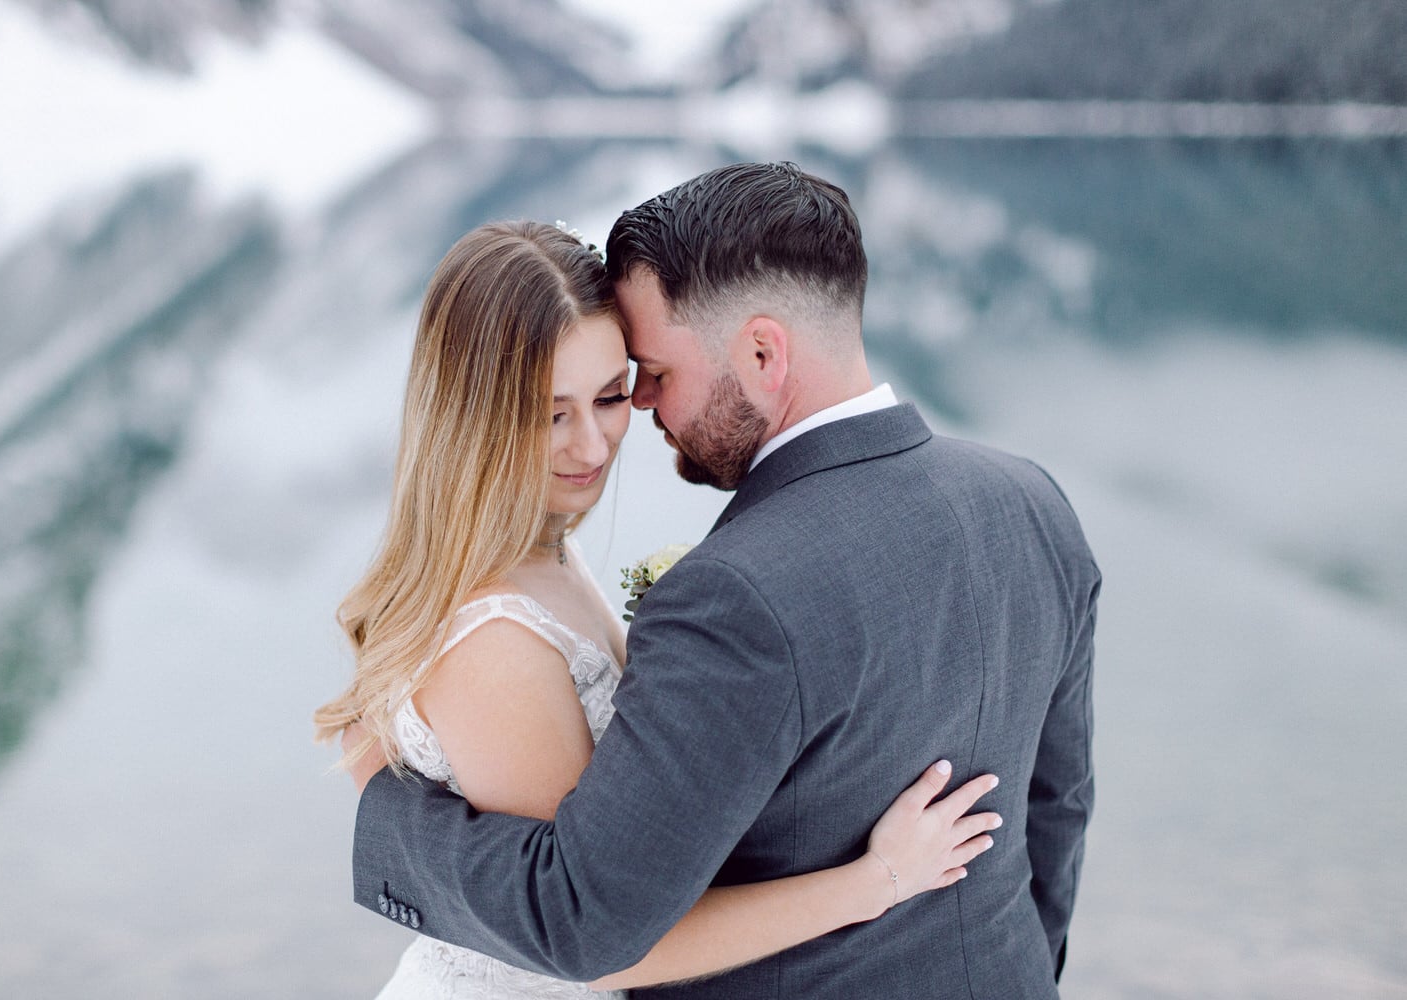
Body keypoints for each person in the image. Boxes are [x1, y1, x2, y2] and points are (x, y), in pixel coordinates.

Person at [343, 167, 1100, 998]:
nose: (636, 418)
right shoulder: (1035, 503)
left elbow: (586, 920)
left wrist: (390, 811)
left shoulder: (732, 593)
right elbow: (1057, 811)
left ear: (764, 353)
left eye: (641, 379)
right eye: (557, 409)